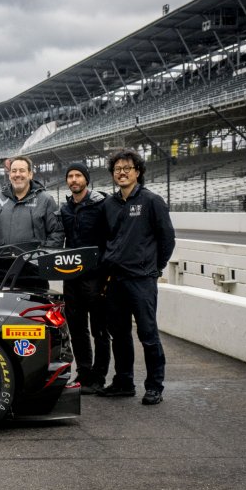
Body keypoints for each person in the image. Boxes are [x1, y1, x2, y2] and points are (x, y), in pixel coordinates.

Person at [99, 149, 176, 406]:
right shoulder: (109, 204)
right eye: (117, 169)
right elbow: (106, 240)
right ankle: (124, 382)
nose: (122, 173)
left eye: (127, 168)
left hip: (142, 279)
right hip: (116, 280)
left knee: (148, 334)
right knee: (119, 334)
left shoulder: (152, 201)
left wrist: (154, 268)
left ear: (138, 172)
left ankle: (154, 386)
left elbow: (167, 239)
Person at [59, 161, 111, 395]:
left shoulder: (102, 205)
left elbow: (111, 238)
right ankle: (84, 372)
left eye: (78, 175)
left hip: (96, 278)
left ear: (86, 180)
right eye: (70, 176)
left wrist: (106, 272)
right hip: (71, 278)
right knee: (77, 329)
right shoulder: (65, 209)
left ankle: (99, 377)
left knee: (100, 330)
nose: (74, 180)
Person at [0, 155, 64, 288]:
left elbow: (56, 232)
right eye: (14, 171)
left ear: (30, 174)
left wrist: (41, 258)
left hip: (35, 274)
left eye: (22, 170)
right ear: (9, 175)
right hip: (3, 274)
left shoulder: (45, 199)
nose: (17, 174)